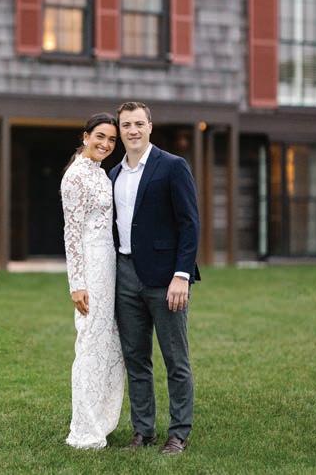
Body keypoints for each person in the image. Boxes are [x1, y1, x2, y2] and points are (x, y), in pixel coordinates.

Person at [109, 102, 200, 455]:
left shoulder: (173, 166)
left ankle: (178, 433)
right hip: (125, 275)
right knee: (136, 359)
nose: (132, 130)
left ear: (150, 126)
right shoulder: (114, 174)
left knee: (176, 359)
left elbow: (189, 224)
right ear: (120, 130)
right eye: (126, 125)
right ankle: (143, 432)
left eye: (138, 124)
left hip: (165, 278)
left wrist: (182, 275)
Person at [60, 113, 125, 449]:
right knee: (89, 344)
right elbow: (71, 234)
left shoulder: (100, 173)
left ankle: (102, 418)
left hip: (110, 264)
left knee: (107, 345)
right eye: (100, 136)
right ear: (85, 136)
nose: (106, 144)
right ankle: (84, 428)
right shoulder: (75, 177)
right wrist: (77, 284)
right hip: (90, 268)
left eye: (112, 140)